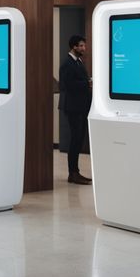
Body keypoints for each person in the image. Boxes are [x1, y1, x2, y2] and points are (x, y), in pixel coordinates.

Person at [58, 35, 92, 185]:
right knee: (75, 140)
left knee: (78, 140)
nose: (84, 49)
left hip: (81, 107)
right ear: (74, 47)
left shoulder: (77, 62)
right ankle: (73, 173)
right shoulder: (67, 64)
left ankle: (75, 172)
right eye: (81, 46)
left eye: (84, 46)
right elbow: (68, 85)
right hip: (73, 107)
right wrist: (87, 83)